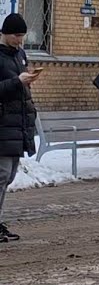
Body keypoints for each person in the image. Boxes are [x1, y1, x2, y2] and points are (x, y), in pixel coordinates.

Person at [0, 14, 39, 243]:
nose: (20, 40)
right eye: (16, 35)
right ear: (5, 33)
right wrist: (17, 82)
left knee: (9, 176)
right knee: (2, 175)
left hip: (17, 124)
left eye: (22, 36)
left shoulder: (20, 55)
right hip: (3, 124)